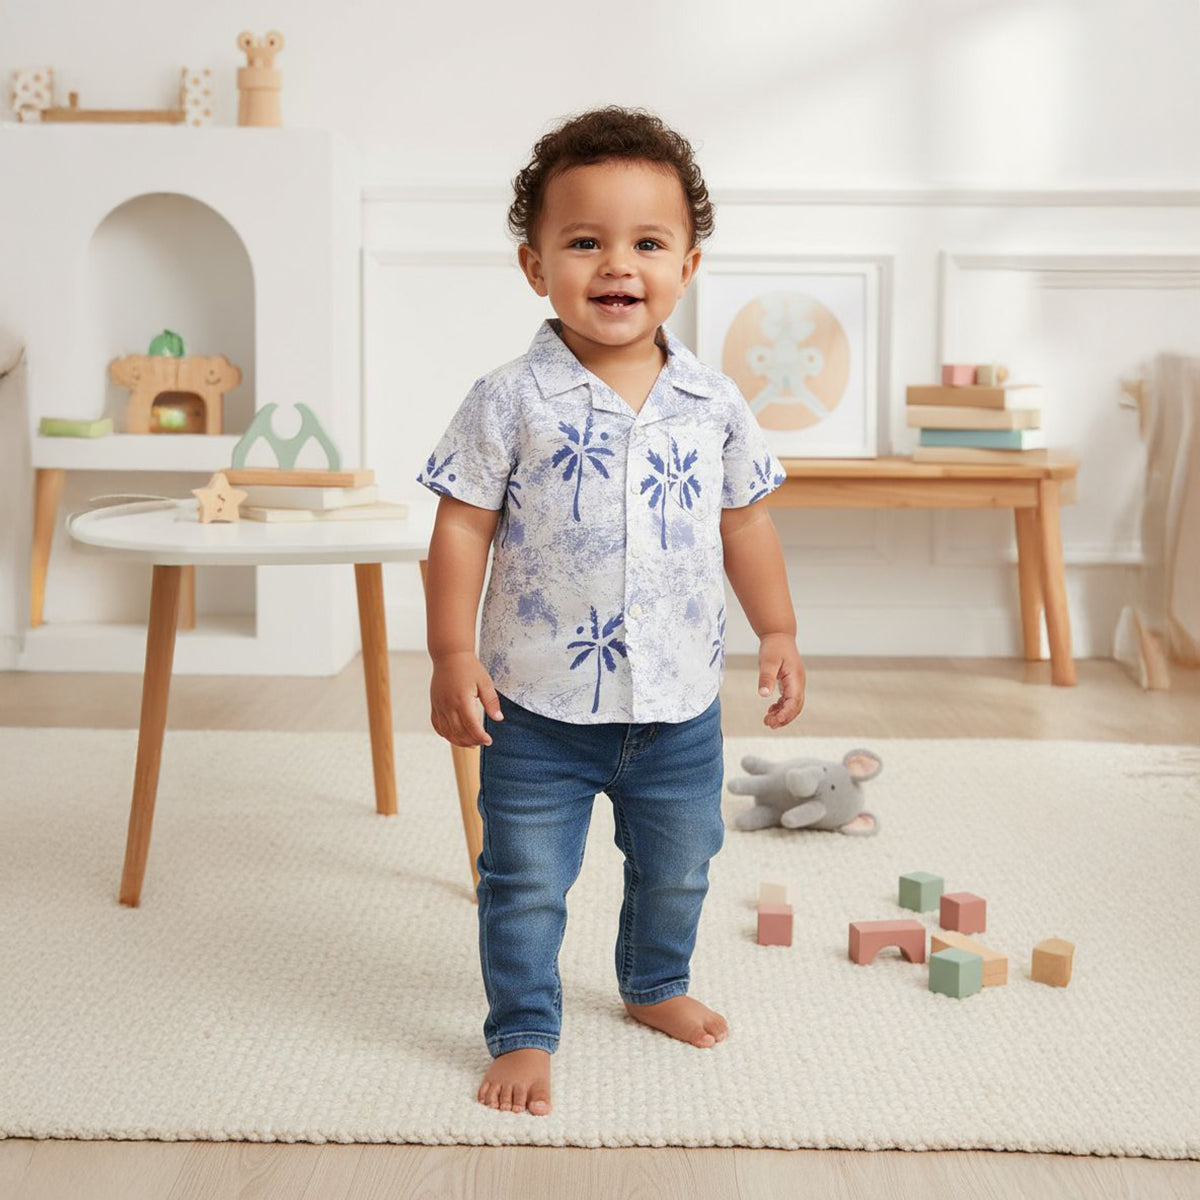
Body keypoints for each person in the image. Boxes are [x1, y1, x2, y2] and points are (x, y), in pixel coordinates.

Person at [417, 105, 805, 1117]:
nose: (615, 264)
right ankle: (523, 1030)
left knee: (681, 868)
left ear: (687, 262)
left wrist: (780, 631)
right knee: (524, 884)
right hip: (535, 709)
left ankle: (654, 982)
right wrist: (451, 651)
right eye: (583, 241)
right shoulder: (509, 399)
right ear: (533, 263)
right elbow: (461, 529)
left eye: (646, 242)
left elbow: (747, 526)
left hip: (677, 707)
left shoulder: (714, 402)